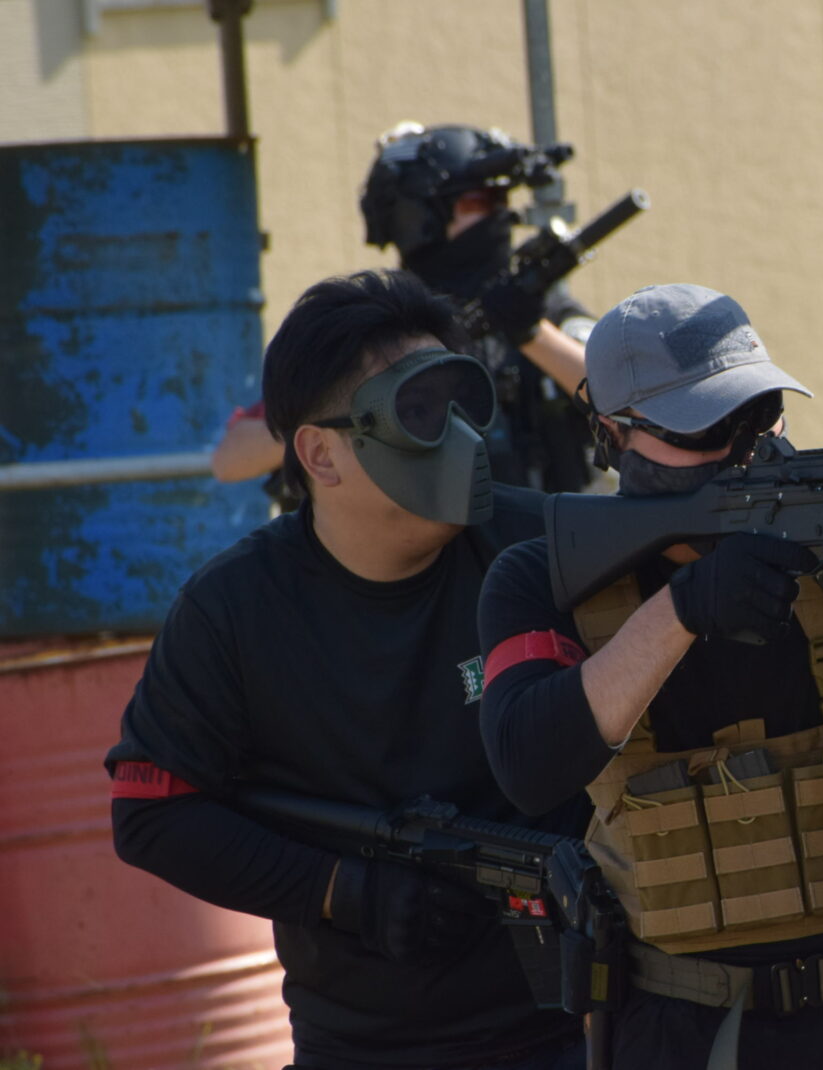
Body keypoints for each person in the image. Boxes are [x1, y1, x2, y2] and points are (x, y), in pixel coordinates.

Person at [476, 283, 823, 1070]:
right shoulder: (543, 576)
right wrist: (682, 610)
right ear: (612, 433)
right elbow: (527, 763)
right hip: (683, 1024)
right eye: (707, 428)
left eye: (760, 413)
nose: (744, 448)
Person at [107, 269, 588, 1070]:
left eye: (460, 403)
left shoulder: (546, 549)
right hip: (359, 1047)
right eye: (418, 412)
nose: (459, 438)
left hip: (577, 1034)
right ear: (319, 455)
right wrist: (341, 892)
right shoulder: (234, 610)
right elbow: (150, 813)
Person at [212, 122, 594, 505]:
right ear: (420, 215)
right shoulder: (370, 323)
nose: (499, 216)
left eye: (501, 200)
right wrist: (366, 394)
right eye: (478, 202)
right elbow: (231, 460)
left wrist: (531, 333)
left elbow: (617, 396)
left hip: (539, 536)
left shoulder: (540, 308)